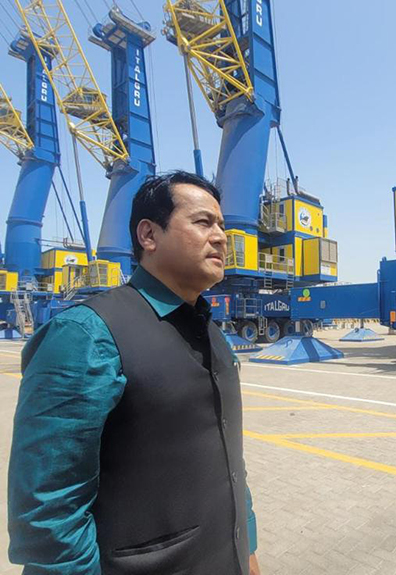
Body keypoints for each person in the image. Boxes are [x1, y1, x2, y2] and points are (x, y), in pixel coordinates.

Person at [8, 171, 261, 575]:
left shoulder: (214, 335)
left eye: (221, 225)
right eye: (203, 222)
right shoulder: (86, 335)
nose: (220, 237)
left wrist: (247, 550)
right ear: (149, 235)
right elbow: (49, 508)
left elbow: (231, 460)